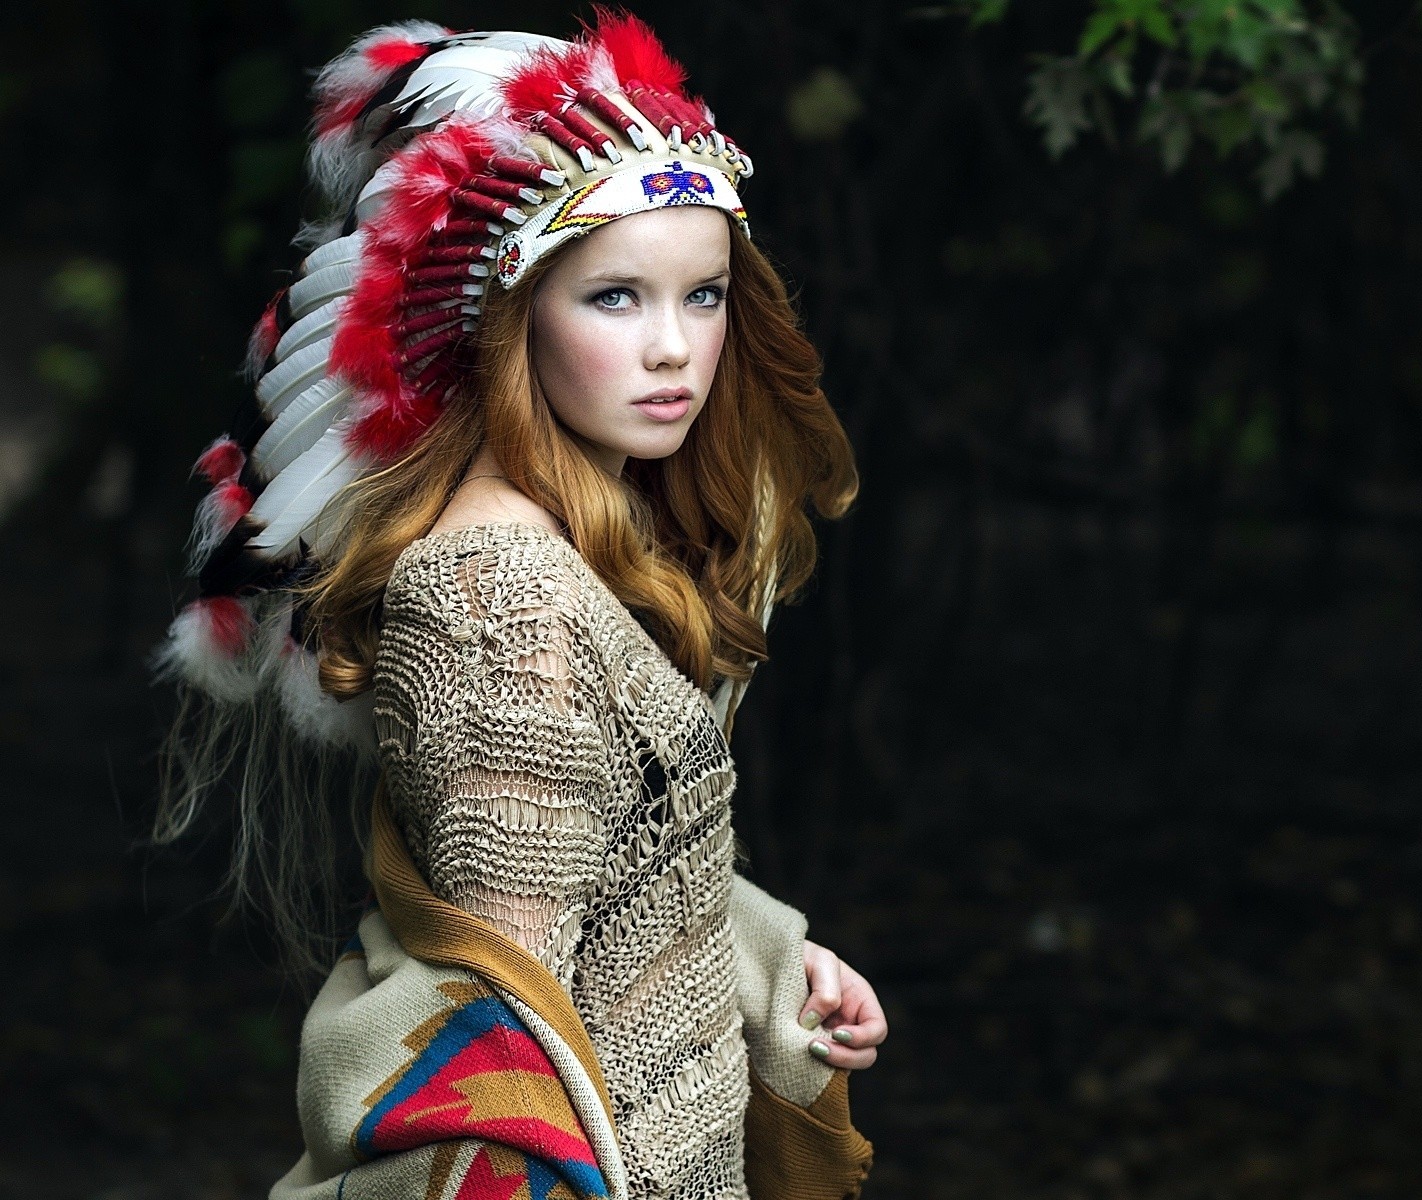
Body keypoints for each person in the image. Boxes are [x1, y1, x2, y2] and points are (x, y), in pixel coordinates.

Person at [152, 14, 883, 1199]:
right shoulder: (497, 594)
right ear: (511, 317)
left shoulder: (569, 551)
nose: (673, 351)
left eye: (702, 297)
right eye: (613, 299)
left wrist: (768, 957)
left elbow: (594, 877)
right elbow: (507, 1018)